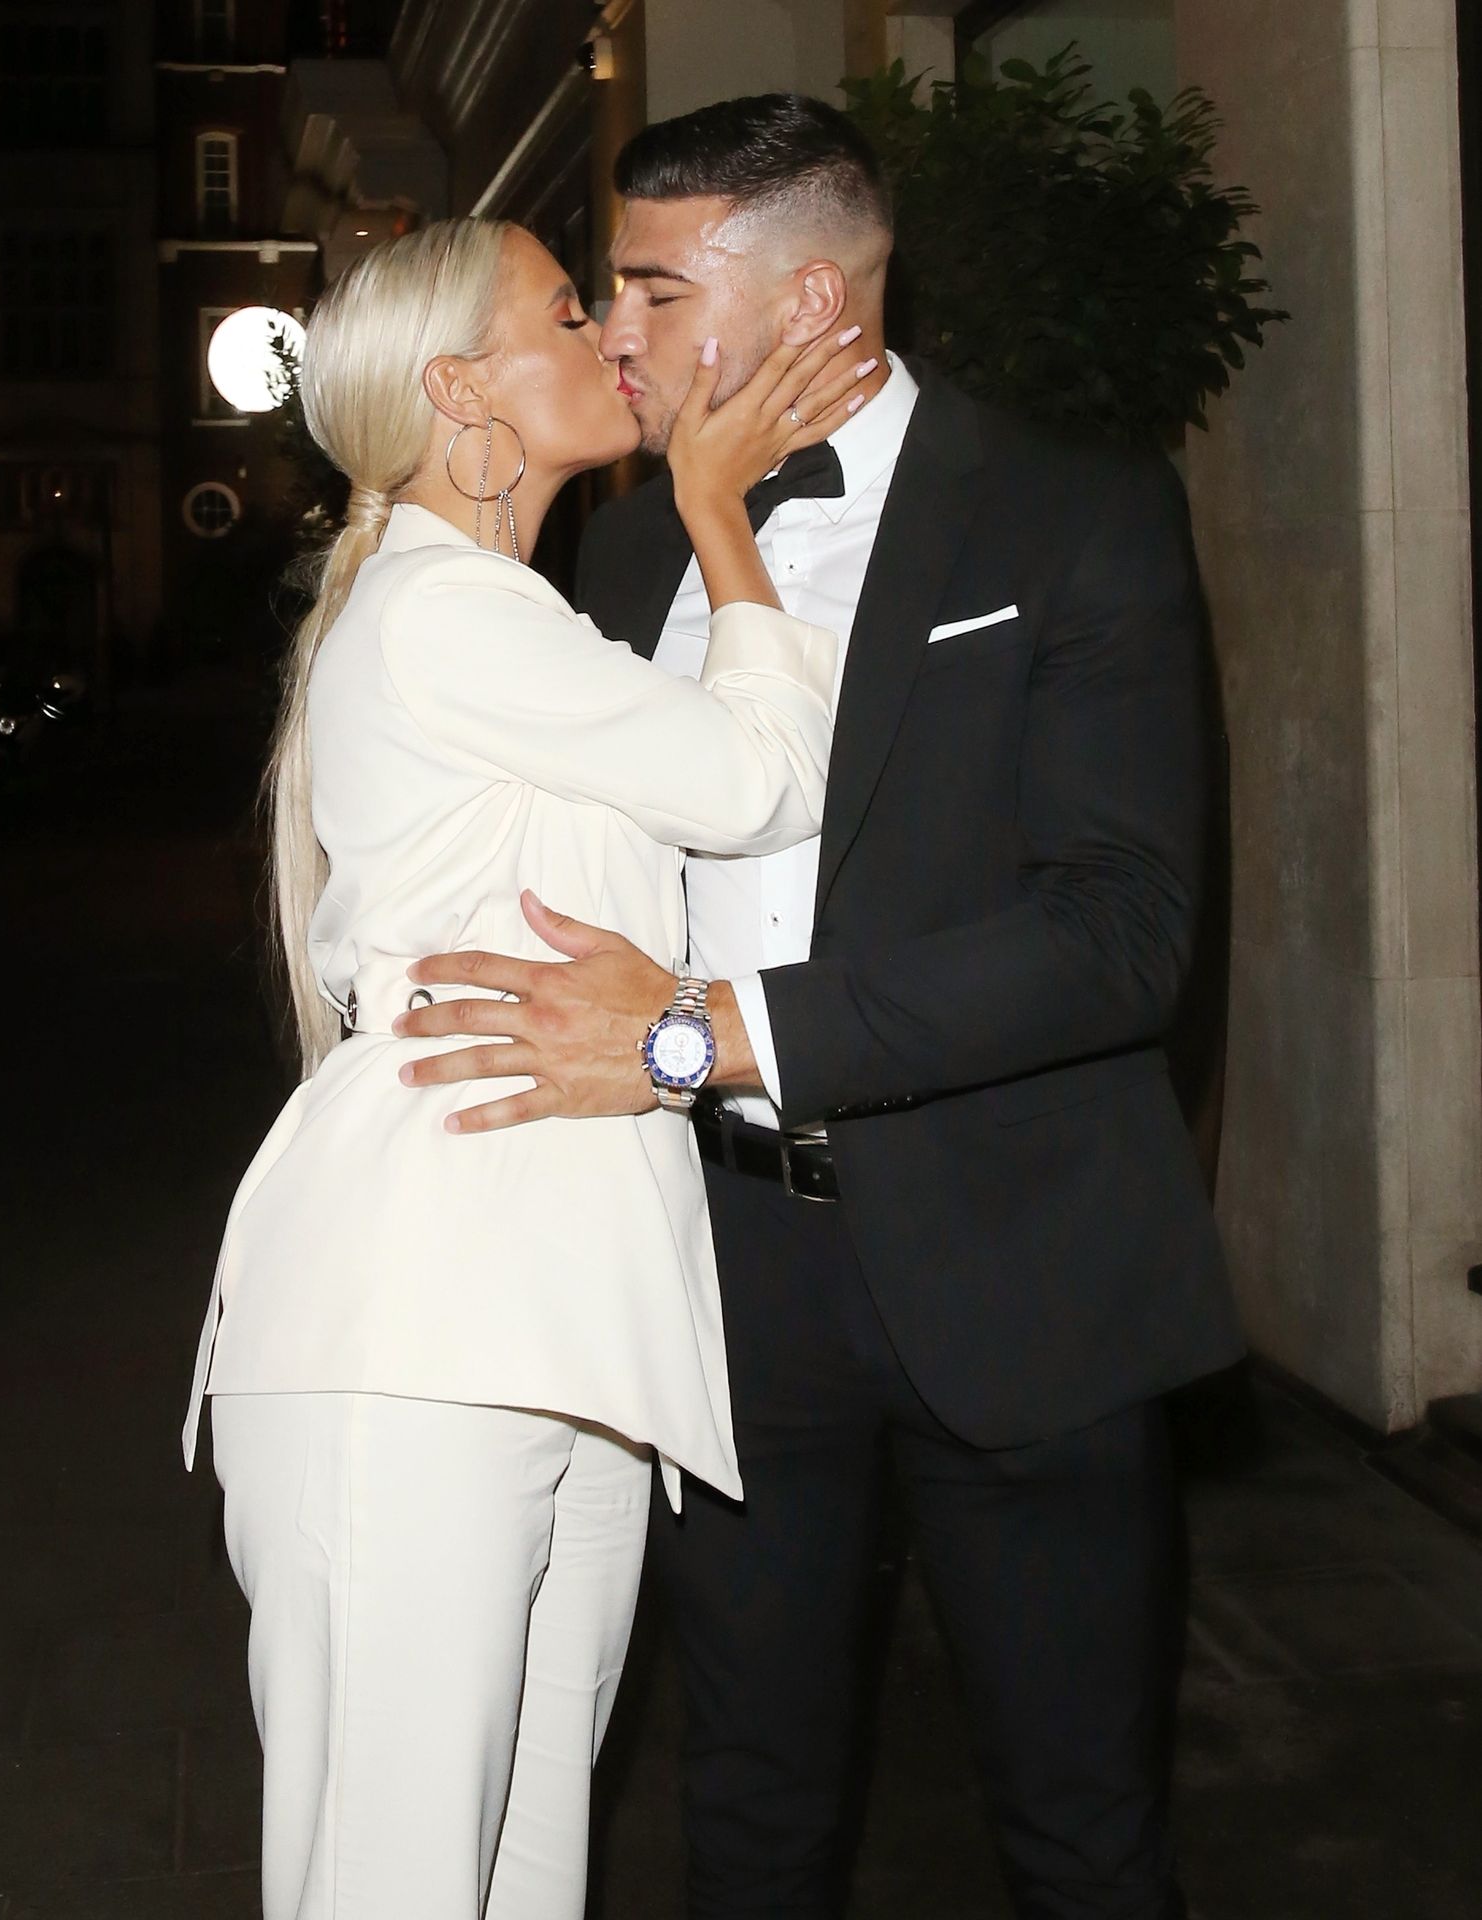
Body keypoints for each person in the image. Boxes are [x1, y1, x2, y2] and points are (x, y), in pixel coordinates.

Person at [396, 97, 1246, 1919]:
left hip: (1019, 1263)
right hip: (717, 1269)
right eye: (606, 292)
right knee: (748, 1812)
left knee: (1084, 1828)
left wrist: (703, 1030)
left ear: (806, 300)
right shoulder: (627, 556)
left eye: (652, 288)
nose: (615, 332)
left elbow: (1120, 934)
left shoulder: (1072, 509)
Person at [180, 215, 874, 1919]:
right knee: (395, 1884)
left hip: (559, 1313)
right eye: (567, 315)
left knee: (525, 1874)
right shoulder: (443, 612)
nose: (610, 338)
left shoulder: (503, 618)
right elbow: (760, 782)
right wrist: (716, 508)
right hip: (419, 1324)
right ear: (460, 394)